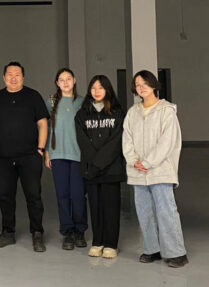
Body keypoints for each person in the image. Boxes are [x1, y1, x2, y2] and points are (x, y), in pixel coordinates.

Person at [122, 70, 188, 268]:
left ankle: (177, 253)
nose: (141, 88)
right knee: (144, 211)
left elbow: (167, 142)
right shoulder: (132, 112)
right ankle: (152, 249)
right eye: (137, 85)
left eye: (145, 83)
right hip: (138, 171)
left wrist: (148, 162)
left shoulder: (166, 111)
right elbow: (127, 139)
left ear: (153, 85)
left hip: (160, 169)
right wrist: (134, 160)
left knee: (166, 210)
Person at [0, 61, 49, 251]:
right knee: (5, 195)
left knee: (34, 195)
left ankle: (37, 233)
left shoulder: (33, 96)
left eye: (17, 75)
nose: (13, 78)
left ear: (23, 77)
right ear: (4, 77)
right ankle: (8, 232)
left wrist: (40, 148)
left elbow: (43, 123)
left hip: (29, 156)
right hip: (2, 157)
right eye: (9, 75)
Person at [75, 75, 126, 259]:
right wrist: (94, 165)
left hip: (111, 168)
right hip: (91, 170)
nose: (97, 91)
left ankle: (111, 244)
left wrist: (99, 163)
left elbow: (116, 141)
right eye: (93, 88)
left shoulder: (117, 112)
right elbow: (83, 141)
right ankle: (98, 241)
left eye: (101, 88)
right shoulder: (82, 114)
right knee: (95, 206)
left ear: (107, 90)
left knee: (111, 207)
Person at [45, 68, 87, 250]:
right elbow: (47, 128)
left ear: (74, 80)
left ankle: (80, 230)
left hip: (78, 155)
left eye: (68, 78)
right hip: (57, 154)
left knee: (78, 194)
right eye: (61, 80)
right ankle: (67, 231)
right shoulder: (51, 101)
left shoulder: (82, 102)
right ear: (57, 83)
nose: (65, 82)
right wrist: (47, 152)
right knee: (62, 195)